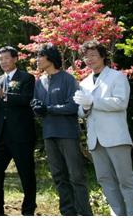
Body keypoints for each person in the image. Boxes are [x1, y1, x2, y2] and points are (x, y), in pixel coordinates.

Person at [73, 40, 133, 215]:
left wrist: (93, 101)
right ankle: (117, 213)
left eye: (93, 55)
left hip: (116, 137)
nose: (89, 59)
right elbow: (82, 112)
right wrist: (85, 107)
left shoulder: (117, 76)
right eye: (86, 56)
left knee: (125, 179)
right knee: (105, 179)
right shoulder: (84, 82)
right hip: (95, 140)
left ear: (103, 56)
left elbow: (121, 103)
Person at [31, 44, 92, 215]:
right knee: (58, 176)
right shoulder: (39, 82)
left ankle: (84, 213)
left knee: (76, 176)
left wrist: (48, 109)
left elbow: (73, 106)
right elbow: (37, 106)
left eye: (40, 56)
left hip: (67, 133)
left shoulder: (67, 79)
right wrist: (36, 108)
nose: (37, 60)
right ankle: (67, 212)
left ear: (50, 57)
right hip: (48, 133)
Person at [0, 46, 36, 216]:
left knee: (26, 172)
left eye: (6, 58)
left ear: (15, 59)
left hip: (21, 132)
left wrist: (5, 95)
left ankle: (28, 209)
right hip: (1, 133)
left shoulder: (26, 78)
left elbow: (26, 99)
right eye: (0, 59)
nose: (3, 62)